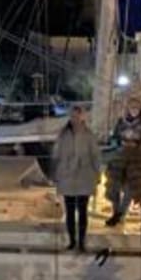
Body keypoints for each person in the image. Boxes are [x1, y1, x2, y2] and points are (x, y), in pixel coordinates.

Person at [50, 103, 101, 252]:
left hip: (84, 175)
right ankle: (72, 241)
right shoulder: (63, 134)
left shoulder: (89, 134)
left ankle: (82, 242)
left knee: (83, 211)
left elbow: (95, 155)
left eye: (77, 115)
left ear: (82, 116)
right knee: (70, 211)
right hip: (67, 176)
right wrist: (55, 172)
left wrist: (97, 173)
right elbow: (56, 154)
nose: (75, 118)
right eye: (72, 115)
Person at [106, 95, 141, 226]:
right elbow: (113, 139)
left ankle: (120, 214)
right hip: (120, 160)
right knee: (114, 187)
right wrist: (120, 143)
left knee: (130, 189)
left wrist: (138, 145)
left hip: (137, 162)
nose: (133, 109)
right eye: (131, 107)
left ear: (140, 109)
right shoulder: (121, 123)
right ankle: (115, 212)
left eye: (136, 107)